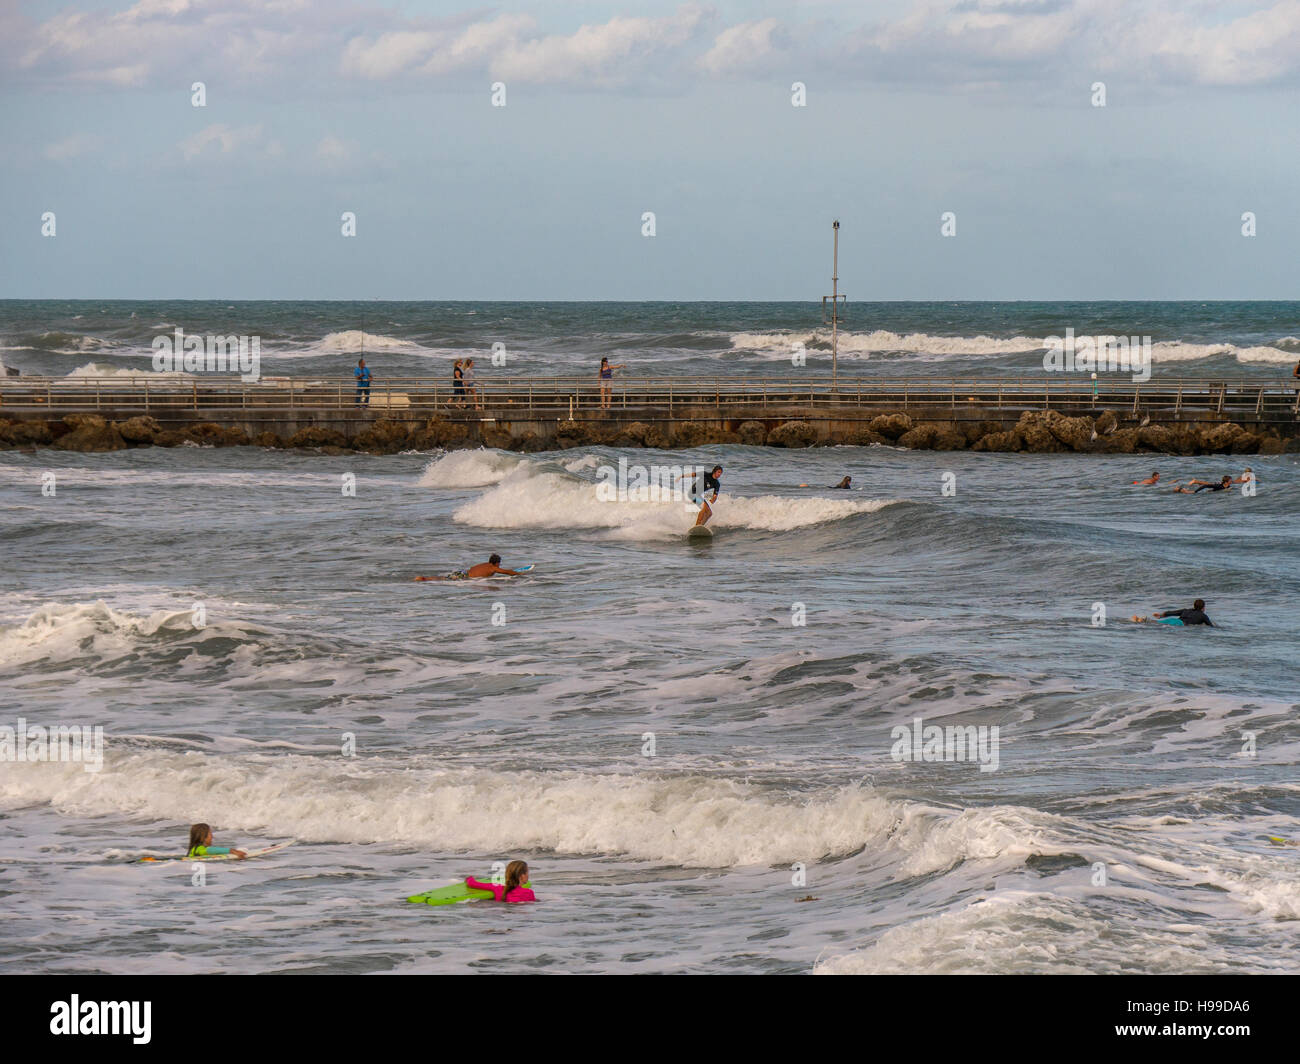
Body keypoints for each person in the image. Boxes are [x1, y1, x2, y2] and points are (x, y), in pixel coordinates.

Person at [414, 554, 525, 581]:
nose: (499, 565)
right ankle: (423, 579)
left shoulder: (484, 564)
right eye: (499, 563)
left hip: (463, 573)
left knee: (443, 578)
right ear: (496, 563)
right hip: (465, 578)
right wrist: (519, 574)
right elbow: (506, 572)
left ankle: (424, 578)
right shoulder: (493, 568)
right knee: (444, 580)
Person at [465, 860, 535, 904]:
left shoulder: (498, 888)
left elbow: (472, 883)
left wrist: (469, 878)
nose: (528, 875)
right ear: (522, 875)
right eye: (527, 872)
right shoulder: (528, 892)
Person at [1131, 599, 1214, 626]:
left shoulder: (1186, 610)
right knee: (1155, 625)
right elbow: (1211, 626)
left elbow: (1172, 612)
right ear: (1203, 608)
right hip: (1179, 625)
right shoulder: (1203, 616)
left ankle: (1141, 619)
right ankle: (1141, 620)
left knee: (1155, 623)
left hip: (1173, 620)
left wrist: (1161, 615)